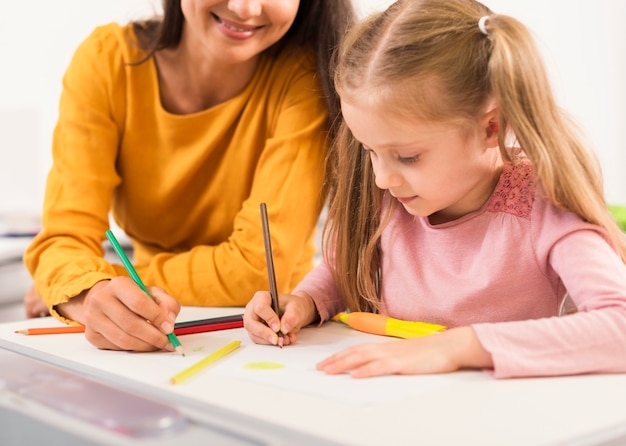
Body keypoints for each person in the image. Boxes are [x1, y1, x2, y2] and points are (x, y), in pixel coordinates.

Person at [243, 0, 626, 379]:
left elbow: (619, 326)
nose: (382, 178)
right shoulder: (391, 193)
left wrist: (459, 347)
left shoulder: (543, 204)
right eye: (370, 150)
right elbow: (339, 270)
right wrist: (305, 302)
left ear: (491, 127)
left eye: (408, 156)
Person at [23, 0, 356, 352]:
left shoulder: (308, 79)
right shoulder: (108, 60)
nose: (245, 8)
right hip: (153, 324)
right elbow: (64, 237)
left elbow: (253, 270)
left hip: (262, 331)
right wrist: (87, 290)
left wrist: (87, 284)